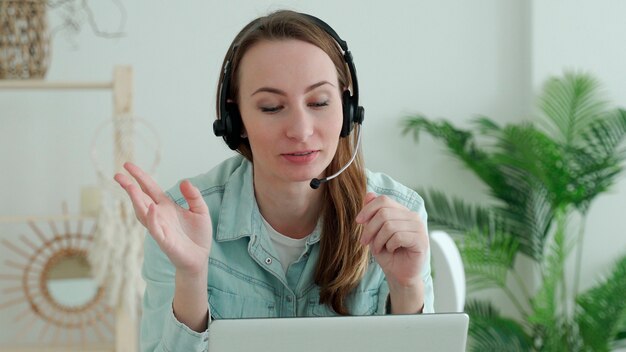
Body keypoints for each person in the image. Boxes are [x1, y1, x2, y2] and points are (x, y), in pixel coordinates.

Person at [114, 10, 434, 352]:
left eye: (319, 102)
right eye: (270, 107)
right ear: (235, 121)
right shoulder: (180, 220)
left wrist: (407, 285)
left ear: (348, 109)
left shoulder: (399, 214)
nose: (300, 130)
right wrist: (192, 277)